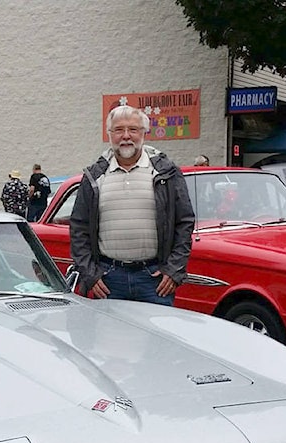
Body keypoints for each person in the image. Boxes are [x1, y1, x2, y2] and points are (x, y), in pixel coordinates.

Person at [69, 105, 194, 306]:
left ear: (144, 133)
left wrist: (173, 271)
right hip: (109, 281)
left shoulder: (166, 174)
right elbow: (79, 228)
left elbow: (184, 223)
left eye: (133, 130)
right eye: (118, 130)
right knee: (109, 338)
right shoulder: (94, 177)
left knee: (157, 338)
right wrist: (90, 275)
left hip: (155, 281)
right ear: (109, 134)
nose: (126, 136)